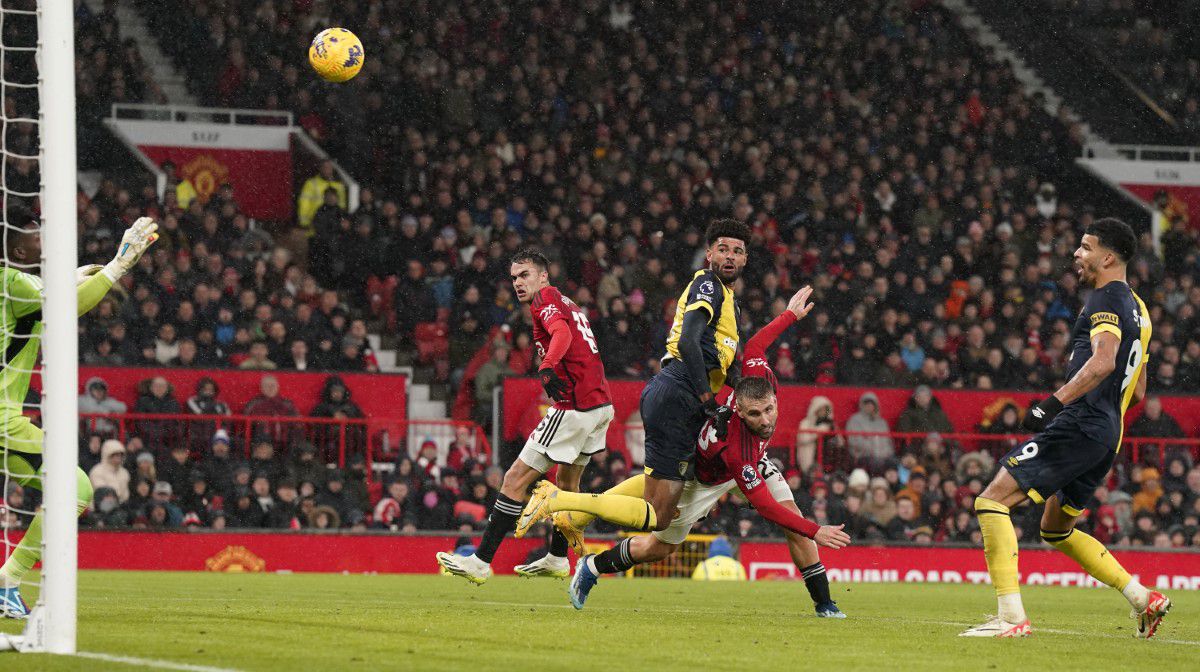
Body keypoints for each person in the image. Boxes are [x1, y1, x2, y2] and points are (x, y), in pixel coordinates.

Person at [534, 288, 850, 616]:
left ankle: (824, 604)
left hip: (754, 460)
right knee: (658, 548)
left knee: (794, 521)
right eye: (755, 415)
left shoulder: (759, 379)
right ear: (740, 412)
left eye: (769, 409)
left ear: (773, 395)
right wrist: (817, 530)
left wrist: (790, 316)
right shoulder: (735, 451)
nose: (766, 420)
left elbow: (755, 346)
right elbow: (766, 507)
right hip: (703, 479)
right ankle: (593, 566)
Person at [962, 219, 1171, 639]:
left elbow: (1104, 361)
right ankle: (1141, 598)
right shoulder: (1140, 309)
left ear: (1107, 257)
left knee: (991, 502)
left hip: (1082, 422)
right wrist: (1105, 420)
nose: (1077, 254)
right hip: (1107, 433)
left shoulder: (1105, 298)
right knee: (1055, 528)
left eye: (1085, 246)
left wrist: (1051, 407)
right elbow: (1140, 387)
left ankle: (1010, 617)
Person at [536, 220, 748, 562]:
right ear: (709, 254)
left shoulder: (729, 301)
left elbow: (720, 364)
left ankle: (571, 517)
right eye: (723, 249)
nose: (730, 256)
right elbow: (688, 342)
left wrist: (744, 386)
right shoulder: (708, 286)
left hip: (677, 395)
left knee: (658, 491)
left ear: (745, 259)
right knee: (659, 514)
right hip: (680, 393)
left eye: (737, 251)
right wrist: (708, 400)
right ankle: (560, 500)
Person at [2, 207, 158, 618]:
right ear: (15, 245)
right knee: (74, 489)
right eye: (34, 233)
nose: (41, 238)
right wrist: (117, 267)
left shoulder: (14, 282)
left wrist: (77, 275)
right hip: (2, 419)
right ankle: (7, 581)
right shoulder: (11, 281)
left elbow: (47, 294)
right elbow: (61, 309)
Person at [436, 249, 614, 583]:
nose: (518, 282)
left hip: (574, 407)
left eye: (525, 275)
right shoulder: (565, 302)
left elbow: (560, 335)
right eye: (514, 277)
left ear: (544, 276)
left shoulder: (546, 298)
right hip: (600, 406)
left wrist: (546, 368)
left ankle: (481, 561)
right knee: (567, 486)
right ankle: (558, 558)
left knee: (514, 479)